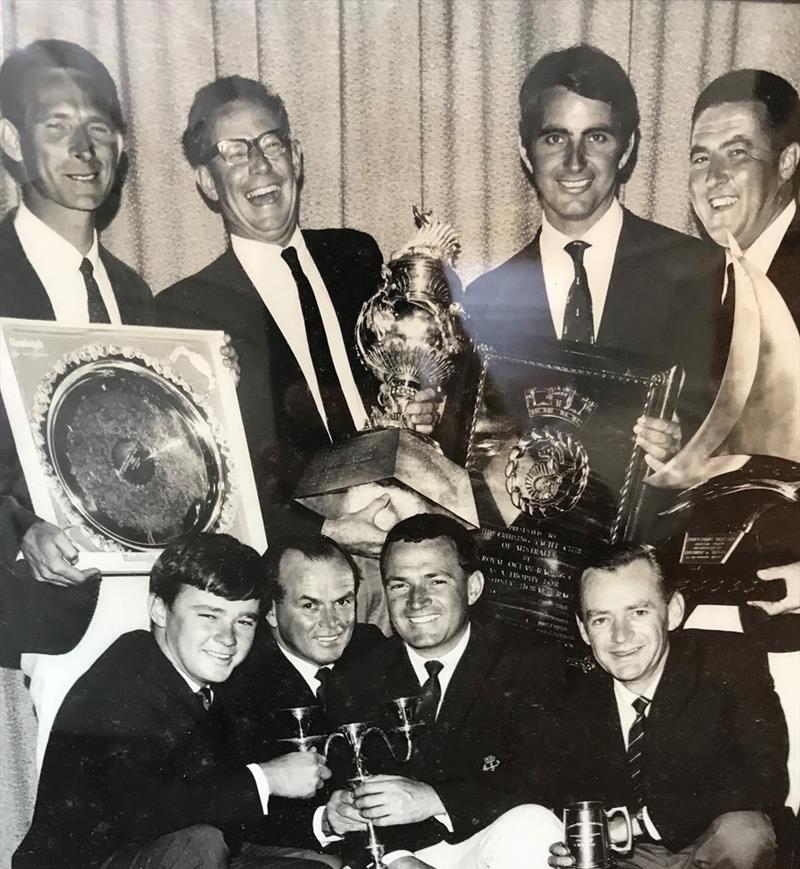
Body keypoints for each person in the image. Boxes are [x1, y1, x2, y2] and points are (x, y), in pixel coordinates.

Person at [12, 533, 343, 869]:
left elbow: (233, 809)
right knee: (198, 846)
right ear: (159, 611)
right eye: (208, 615)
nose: (228, 640)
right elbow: (148, 813)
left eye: (243, 620)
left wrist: (323, 824)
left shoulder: (212, 684)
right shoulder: (123, 681)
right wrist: (266, 778)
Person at [155, 76, 436, 559]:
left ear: (297, 157)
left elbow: (399, 377)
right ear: (206, 181)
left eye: (271, 144)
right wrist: (323, 533)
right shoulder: (184, 311)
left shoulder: (357, 255)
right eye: (235, 152)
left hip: (403, 537)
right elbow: (205, 483)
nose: (260, 165)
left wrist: (422, 408)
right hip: (296, 563)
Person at [315, 513, 564, 869]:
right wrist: (396, 860)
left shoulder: (531, 662)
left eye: (436, 581)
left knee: (532, 829)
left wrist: (433, 798)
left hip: (487, 851)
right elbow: (347, 798)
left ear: (472, 588)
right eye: (399, 585)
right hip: (402, 859)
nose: (417, 601)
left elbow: (546, 780)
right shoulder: (354, 679)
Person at [548, 544, 790, 869]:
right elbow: (560, 791)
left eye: (638, 611)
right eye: (600, 618)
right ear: (583, 629)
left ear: (672, 610)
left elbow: (766, 780)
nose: (620, 635)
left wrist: (639, 822)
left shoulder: (729, 660)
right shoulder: (571, 695)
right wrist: (568, 846)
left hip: (712, 865)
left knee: (746, 833)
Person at [460, 45, 719, 466]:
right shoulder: (485, 300)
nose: (574, 162)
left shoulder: (697, 271)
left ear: (627, 147)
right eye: (555, 137)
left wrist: (686, 446)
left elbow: (727, 428)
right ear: (526, 151)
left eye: (596, 137)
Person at [0, 38, 153, 587]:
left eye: (98, 128)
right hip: (41, 603)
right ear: (12, 139)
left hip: (150, 588)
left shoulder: (136, 294)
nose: (84, 150)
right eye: (57, 127)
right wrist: (19, 530)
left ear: (121, 142)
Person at [688, 68, 800, 625]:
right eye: (700, 157)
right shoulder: (700, 284)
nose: (714, 178)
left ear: (786, 163)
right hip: (707, 601)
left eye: (737, 152)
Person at [220, 532, 386, 851]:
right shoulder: (238, 686)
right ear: (270, 611)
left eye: (343, 601)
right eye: (310, 605)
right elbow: (241, 818)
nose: (332, 623)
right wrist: (323, 821)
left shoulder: (373, 648)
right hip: (306, 855)